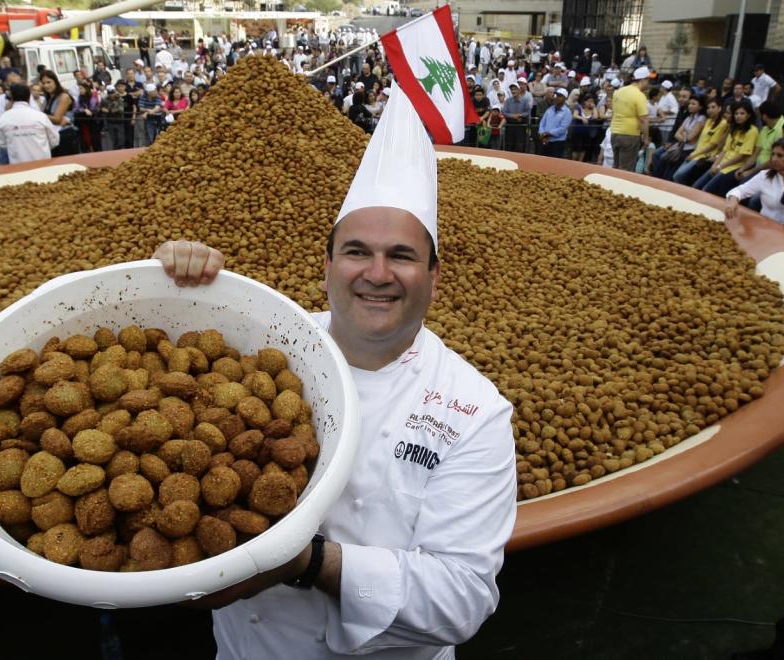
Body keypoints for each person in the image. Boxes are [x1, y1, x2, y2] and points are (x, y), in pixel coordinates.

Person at [151, 82, 516, 660]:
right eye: (356, 252)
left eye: (401, 256)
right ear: (326, 266)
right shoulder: (267, 342)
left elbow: (462, 601)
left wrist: (306, 562)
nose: (377, 273)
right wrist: (179, 280)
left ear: (434, 277)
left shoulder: (474, 411)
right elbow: (164, 361)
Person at [693, 100, 758, 196]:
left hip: (733, 167)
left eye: (742, 113)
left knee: (706, 190)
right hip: (722, 163)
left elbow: (742, 155)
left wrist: (720, 166)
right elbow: (724, 150)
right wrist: (714, 165)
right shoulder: (734, 129)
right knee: (696, 186)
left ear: (749, 115)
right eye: (736, 113)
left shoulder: (752, 131)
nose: (738, 116)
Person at [725, 138, 784, 225]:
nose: (774, 159)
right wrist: (733, 201)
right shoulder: (765, 176)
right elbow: (739, 191)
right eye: (773, 154)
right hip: (767, 228)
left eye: (780, 156)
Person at [0, 83, 59, 164]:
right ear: (29, 97)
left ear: (11, 98)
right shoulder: (40, 116)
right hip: (43, 164)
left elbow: (2, 144)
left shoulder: (4, 118)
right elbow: (54, 140)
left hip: (18, 167)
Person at [673, 98, 728, 185]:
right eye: (708, 108)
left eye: (713, 107)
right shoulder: (708, 121)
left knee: (679, 175)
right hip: (696, 152)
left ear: (720, 108)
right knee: (677, 175)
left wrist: (695, 154)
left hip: (705, 155)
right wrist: (694, 152)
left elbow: (713, 145)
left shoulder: (723, 123)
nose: (710, 110)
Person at [652, 95, 705, 180]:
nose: (690, 105)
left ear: (700, 107)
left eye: (693, 104)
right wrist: (684, 136)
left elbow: (690, 139)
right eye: (690, 103)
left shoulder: (701, 118)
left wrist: (684, 135)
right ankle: (655, 180)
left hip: (689, 149)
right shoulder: (689, 117)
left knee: (667, 165)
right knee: (662, 157)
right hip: (680, 145)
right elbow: (677, 134)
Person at [610, 66, 651, 171]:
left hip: (615, 133)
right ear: (643, 80)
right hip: (630, 135)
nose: (648, 83)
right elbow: (643, 120)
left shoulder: (619, 91)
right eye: (648, 80)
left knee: (616, 166)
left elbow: (614, 111)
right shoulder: (639, 95)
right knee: (626, 170)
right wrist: (646, 138)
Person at [735, 101, 784, 183]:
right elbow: (756, 154)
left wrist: (751, 172)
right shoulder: (765, 129)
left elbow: (773, 160)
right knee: (739, 177)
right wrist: (742, 169)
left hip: (771, 171)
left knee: (743, 183)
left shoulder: (783, 130)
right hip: (758, 168)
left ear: (764, 116)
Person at [39, 70, 79, 157]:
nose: (46, 85)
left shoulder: (64, 96)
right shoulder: (47, 98)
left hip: (65, 136)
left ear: (55, 81)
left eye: (48, 82)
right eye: (44, 83)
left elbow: (57, 119)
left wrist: (40, 116)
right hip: (53, 136)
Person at [537, 88, 572, 158]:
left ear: (565, 98)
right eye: (556, 95)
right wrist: (542, 134)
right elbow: (542, 123)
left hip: (557, 142)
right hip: (545, 140)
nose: (557, 98)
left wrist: (548, 133)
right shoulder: (550, 109)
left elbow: (563, 128)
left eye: (560, 96)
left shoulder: (567, 112)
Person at [502, 82, 531, 152]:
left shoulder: (524, 101)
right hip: (510, 126)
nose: (513, 91)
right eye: (512, 89)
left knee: (520, 146)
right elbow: (504, 112)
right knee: (509, 146)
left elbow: (528, 112)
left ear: (519, 90)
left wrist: (520, 115)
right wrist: (513, 116)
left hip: (520, 126)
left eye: (515, 89)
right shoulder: (508, 101)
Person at [101, 82, 127, 150]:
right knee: (113, 140)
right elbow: (100, 107)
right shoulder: (104, 99)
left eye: (112, 92)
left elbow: (121, 109)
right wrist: (102, 109)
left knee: (121, 139)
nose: (111, 95)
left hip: (119, 121)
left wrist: (110, 110)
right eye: (110, 93)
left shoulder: (119, 99)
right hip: (110, 122)